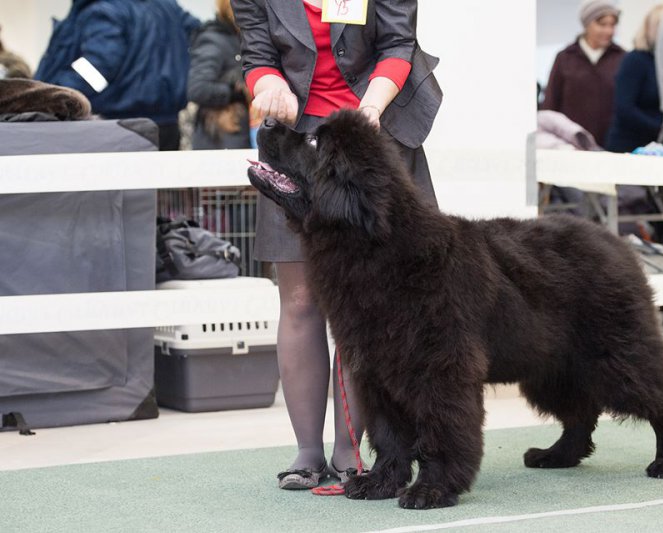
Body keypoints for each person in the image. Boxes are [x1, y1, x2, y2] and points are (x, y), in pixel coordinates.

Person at [230, 0, 442, 490]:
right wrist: (268, 83)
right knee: (300, 301)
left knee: (369, 304)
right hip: (295, 147)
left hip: (372, 137)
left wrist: (370, 106)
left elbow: (397, 43)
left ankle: (353, 451)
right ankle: (307, 453)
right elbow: (257, 54)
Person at [34, 0, 200, 151]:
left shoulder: (106, 10)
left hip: (119, 127)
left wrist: (54, 92)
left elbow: (98, 67)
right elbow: (200, 34)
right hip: (167, 123)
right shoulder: (168, 6)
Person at [542, 0, 625, 149]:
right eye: (602, 24)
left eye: (612, 25)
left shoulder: (622, 58)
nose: (608, 31)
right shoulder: (565, 58)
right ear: (587, 24)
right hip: (572, 145)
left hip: (611, 146)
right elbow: (550, 104)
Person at [188, 0, 251, 150]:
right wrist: (235, 93)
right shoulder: (214, 39)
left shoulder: (241, 37)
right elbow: (197, 89)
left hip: (238, 135)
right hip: (218, 140)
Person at [606, 5, 663, 153]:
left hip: (655, 145)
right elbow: (624, 108)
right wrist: (661, 128)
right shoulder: (635, 60)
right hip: (628, 145)